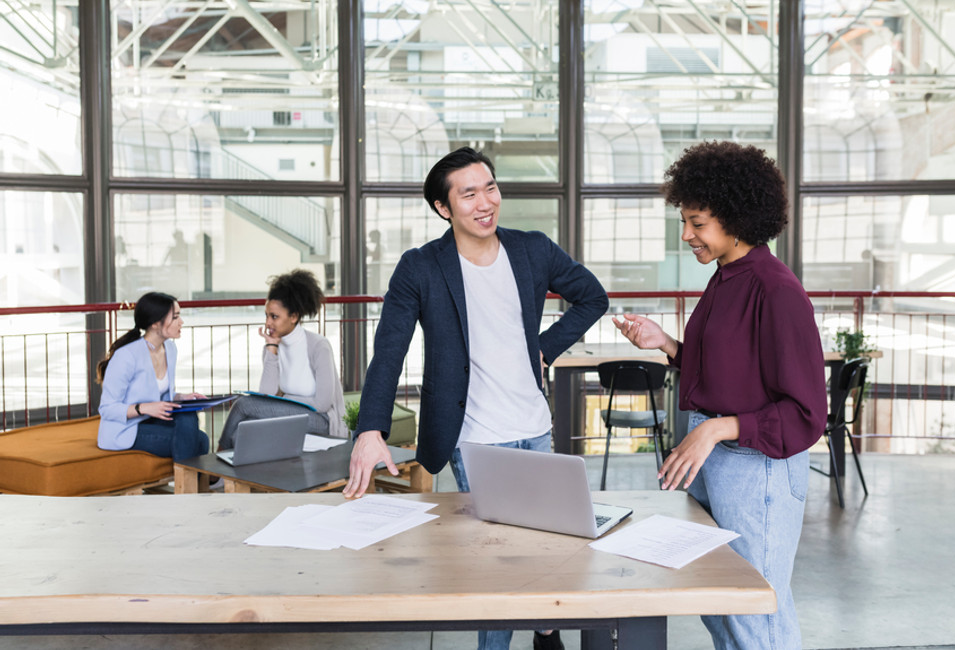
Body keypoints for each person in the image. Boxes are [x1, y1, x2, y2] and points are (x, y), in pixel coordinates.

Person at [343, 146, 609, 650]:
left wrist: (544, 348)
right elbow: (388, 350)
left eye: (490, 187)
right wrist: (370, 429)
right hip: (477, 438)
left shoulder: (532, 249)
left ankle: (546, 630)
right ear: (445, 208)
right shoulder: (420, 267)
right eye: (469, 193)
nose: (485, 201)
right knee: (501, 558)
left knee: (548, 544)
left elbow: (593, 296)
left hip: (535, 424)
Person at [613, 141, 826, 650]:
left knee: (756, 611)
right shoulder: (726, 278)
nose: (686, 234)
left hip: (760, 470)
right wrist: (665, 344)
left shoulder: (776, 291)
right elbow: (731, 374)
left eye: (698, 223)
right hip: (717, 461)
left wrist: (716, 428)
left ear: (736, 218)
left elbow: (806, 415)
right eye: (684, 221)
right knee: (718, 605)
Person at [217, 269, 345, 449]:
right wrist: (272, 349)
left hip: (321, 421)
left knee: (242, 404)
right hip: (294, 415)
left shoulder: (318, 346)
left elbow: (322, 404)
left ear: (294, 317)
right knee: (240, 433)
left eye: (274, 317)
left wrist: (287, 397)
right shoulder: (273, 348)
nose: (268, 323)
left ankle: (213, 468)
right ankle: (225, 477)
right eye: (267, 316)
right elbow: (267, 395)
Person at [97, 292, 209, 461]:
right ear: (156, 323)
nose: (181, 322)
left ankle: (192, 483)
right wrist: (143, 408)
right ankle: (193, 484)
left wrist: (181, 397)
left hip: (153, 420)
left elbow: (160, 396)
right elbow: (107, 408)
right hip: (126, 429)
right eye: (175, 317)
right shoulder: (126, 356)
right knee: (199, 441)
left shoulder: (170, 349)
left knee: (189, 415)